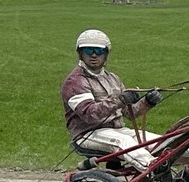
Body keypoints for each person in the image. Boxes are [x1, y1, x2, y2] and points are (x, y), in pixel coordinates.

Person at [61, 29, 166, 174]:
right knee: (124, 142)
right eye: (88, 50)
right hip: (88, 134)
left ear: (106, 54)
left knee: (163, 142)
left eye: (98, 51)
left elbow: (131, 113)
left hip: (118, 130)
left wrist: (147, 102)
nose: (93, 55)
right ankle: (155, 168)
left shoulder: (113, 79)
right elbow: (90, 115)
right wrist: (120, 99)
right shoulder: (75, 82)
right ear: (80, 53)